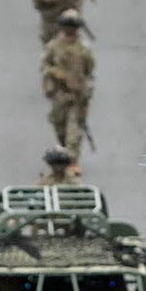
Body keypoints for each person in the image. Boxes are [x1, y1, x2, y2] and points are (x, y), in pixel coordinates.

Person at [40, 10, 94, 174]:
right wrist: (56, 76)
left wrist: (87, 90)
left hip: (77, 96)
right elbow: (44, 66)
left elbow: (89, 72)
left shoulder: (84, 48)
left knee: (74, 128)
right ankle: (64, 151)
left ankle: (72, 160)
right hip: (59, 94)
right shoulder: (53, 46)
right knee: (59, 125)